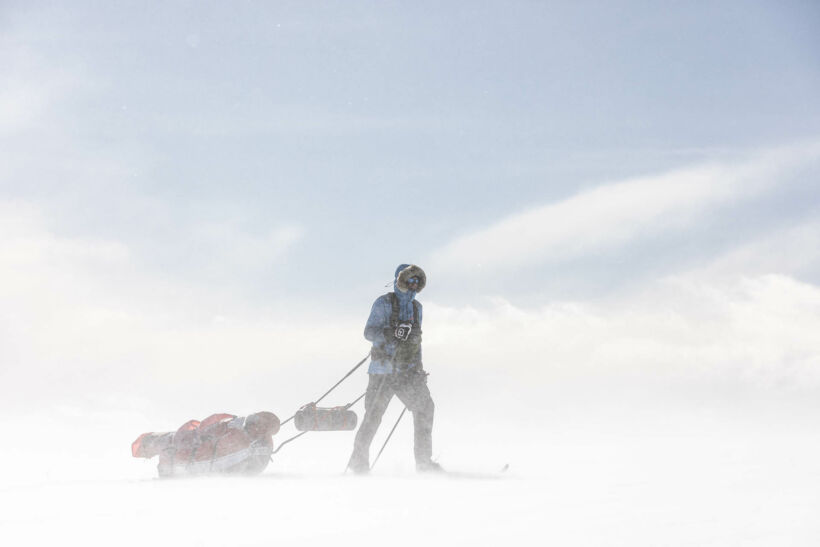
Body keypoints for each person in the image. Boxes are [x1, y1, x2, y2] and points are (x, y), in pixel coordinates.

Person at [347, 264, 442, 474]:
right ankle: (358, 462)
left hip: (408, 373)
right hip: (382, 371)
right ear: (400, 280)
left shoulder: (418, 308)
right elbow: (369, 332)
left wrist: (419, 368)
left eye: (417, 281)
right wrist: (391, 333)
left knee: (425, 408)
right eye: (409, 279)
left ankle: (424, 463)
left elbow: (417, 342)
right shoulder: (383, 303)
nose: (413, 284)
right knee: (373, 415)